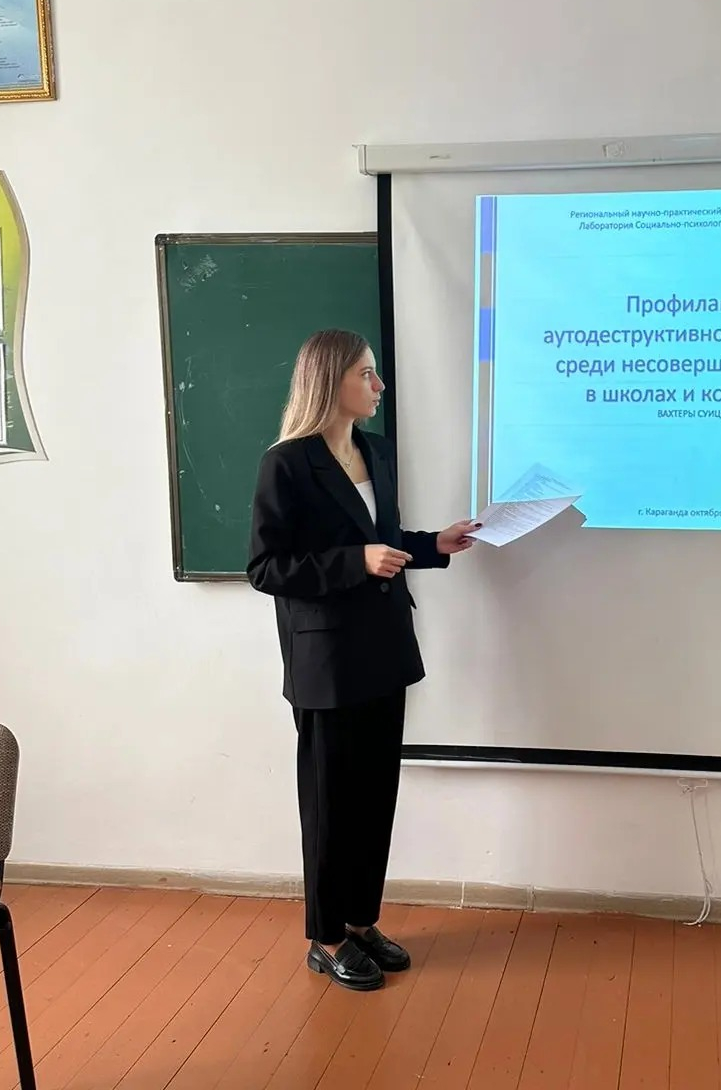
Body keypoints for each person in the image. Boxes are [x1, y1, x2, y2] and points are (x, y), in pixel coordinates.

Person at [246, 329, 478, 991]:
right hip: (327, 662)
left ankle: (360, 920)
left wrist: (434, 544)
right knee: (330, 803)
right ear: (330, 381)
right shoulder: (286, 464)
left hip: (383, 648)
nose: (378, 385)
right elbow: (266, 568)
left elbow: (384, 540)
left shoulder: (376, 451)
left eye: (375, 373)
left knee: (375, 798)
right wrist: (355, 561)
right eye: (365, 374)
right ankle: (325, 937)